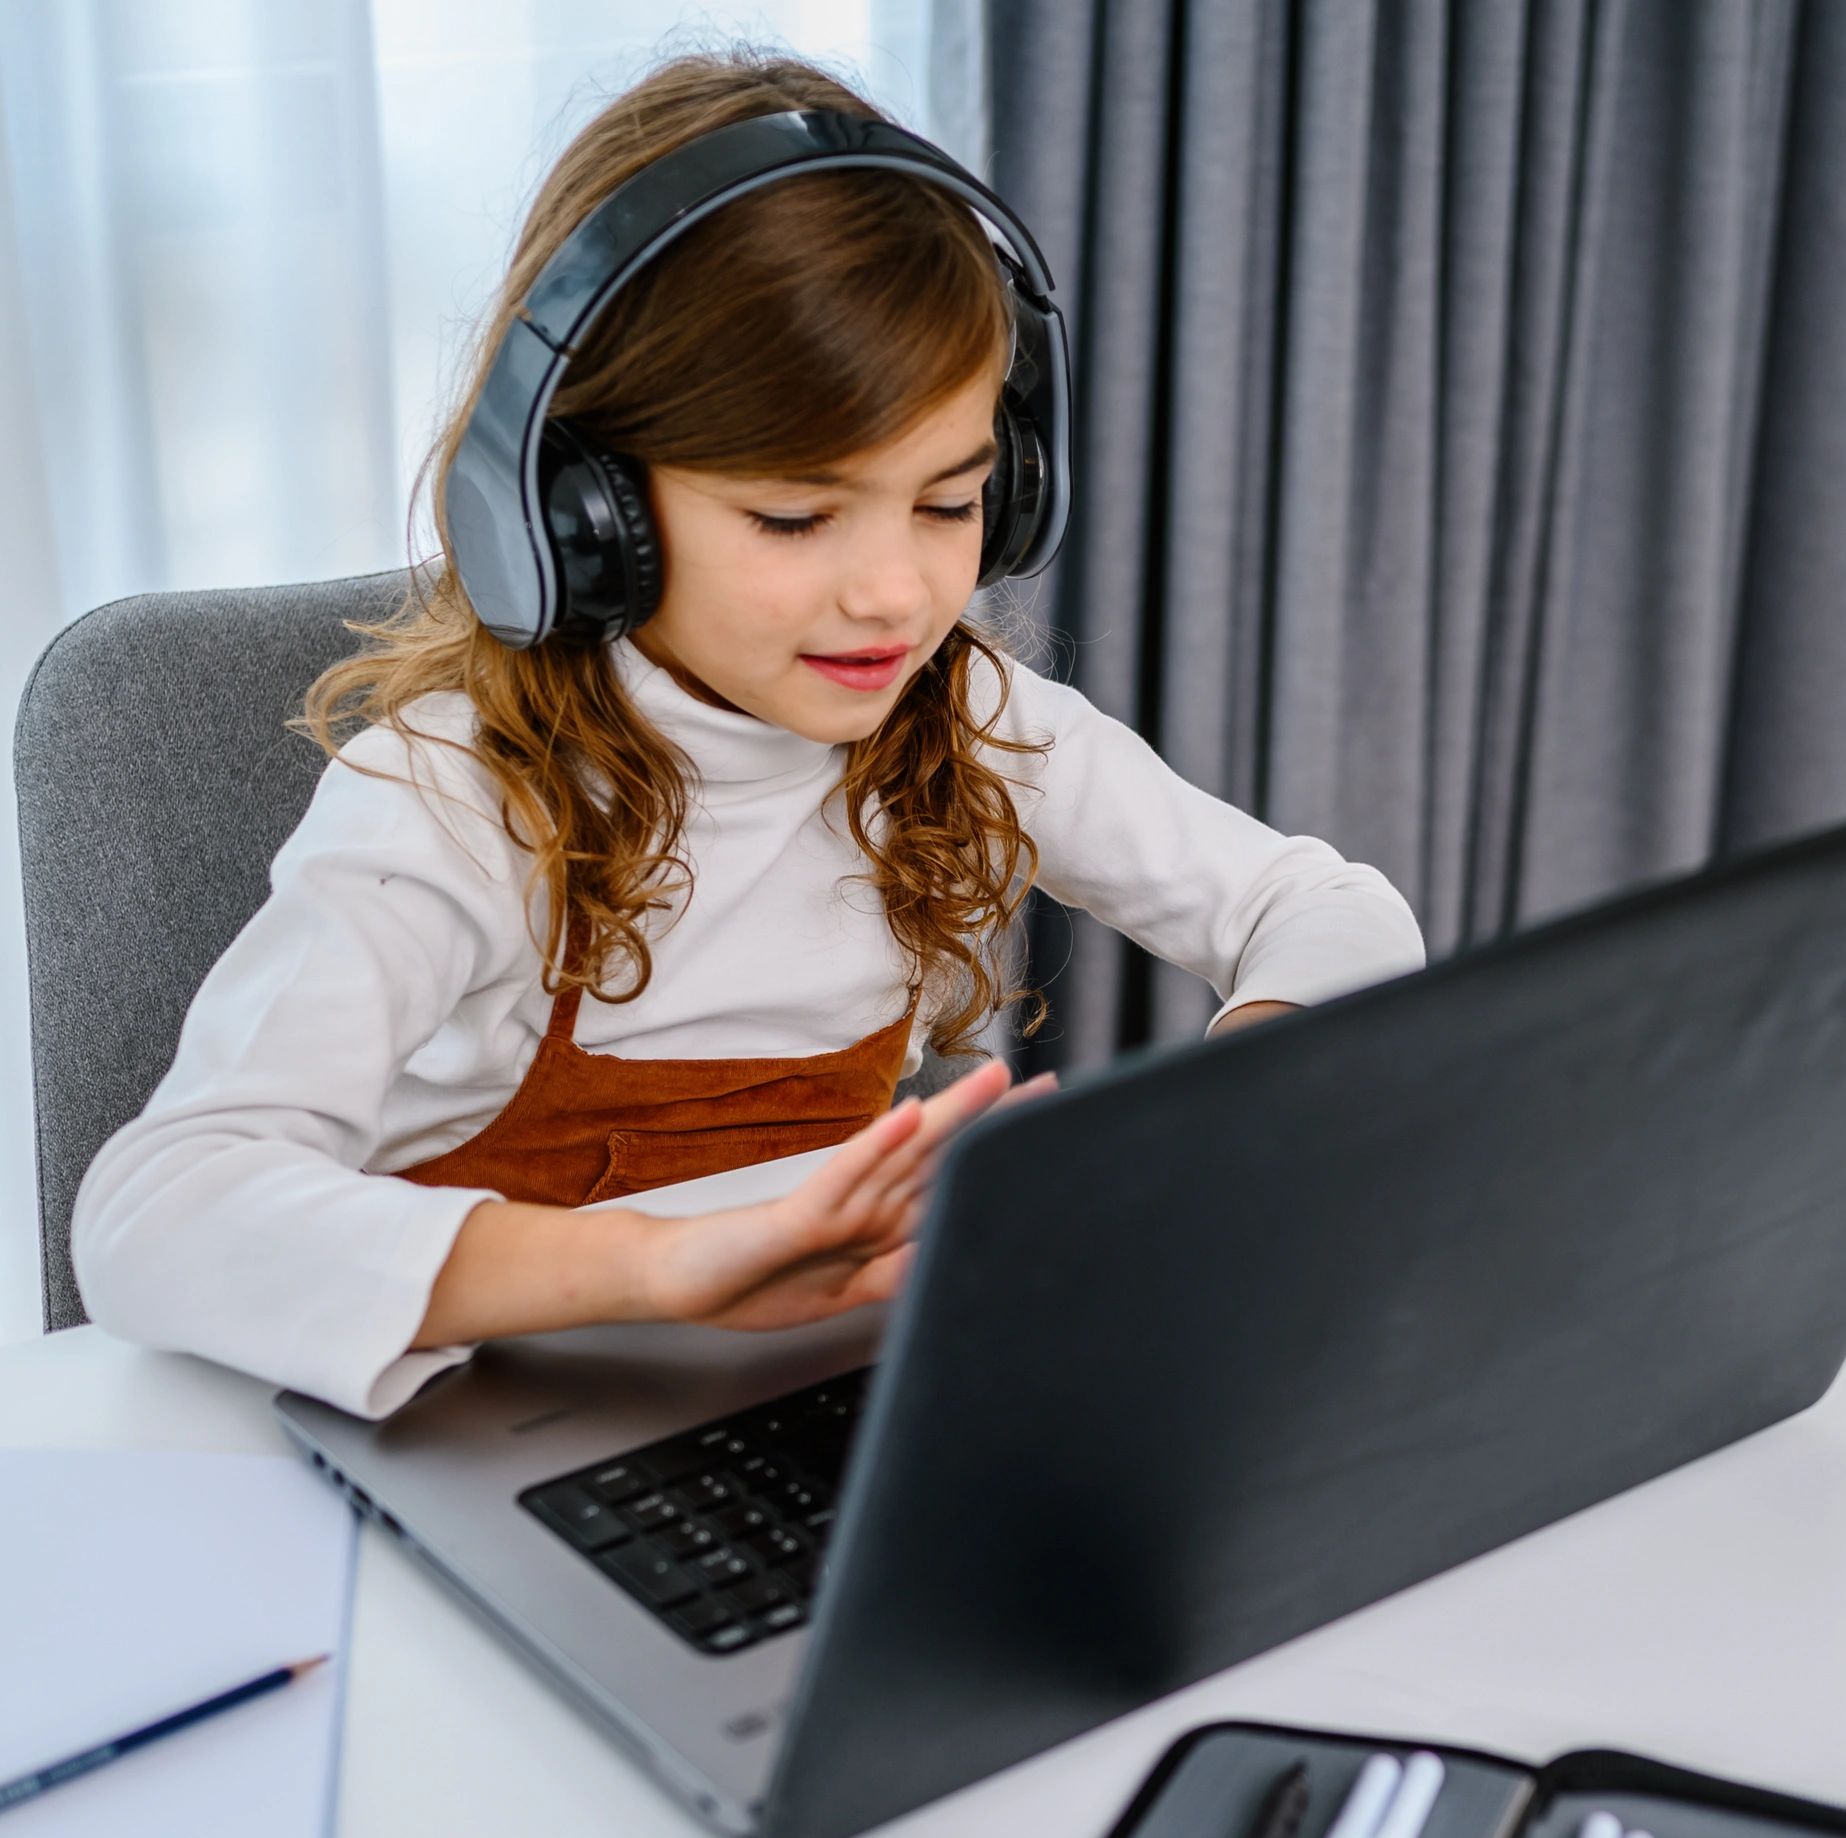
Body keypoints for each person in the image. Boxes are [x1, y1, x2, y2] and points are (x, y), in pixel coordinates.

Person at [73, 49, 1423, 1420]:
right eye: (794, 517)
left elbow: (1329, 908)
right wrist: (661, 1266)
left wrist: (1203, 1128)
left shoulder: (962, 718)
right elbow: (156, 1212)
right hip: (480, 1422)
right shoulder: (452, 798)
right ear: (581, 508)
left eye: (950, 504)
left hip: (810, 1401)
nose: (893, 593)